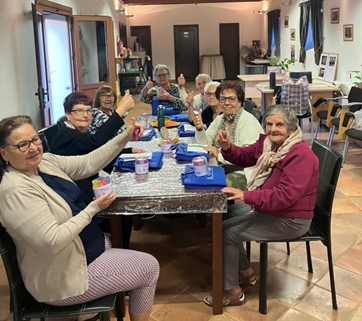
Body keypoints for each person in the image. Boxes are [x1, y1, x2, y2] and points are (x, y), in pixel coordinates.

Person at [0, 115, 159, 321]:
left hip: (82, 253)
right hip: (62, 277)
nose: (33, 148)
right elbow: (51, 241)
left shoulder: (45, 163)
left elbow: (88, 162)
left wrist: (125, 136)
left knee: (115, 245)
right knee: (149, 268)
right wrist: (92, 209)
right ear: (4, 153)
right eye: (22, 144)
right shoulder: (16, 190)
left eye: (35, 139)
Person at [203, 105, 319, 307]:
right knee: (226, 213)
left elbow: (285, 197)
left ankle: (232, 292)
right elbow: (246, 156)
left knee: (227, 232)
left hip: (291, 218)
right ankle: (246, 272)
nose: (273, 129)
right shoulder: (270, 145)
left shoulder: (300, 155)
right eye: (270, 124)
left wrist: (246, 195)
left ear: (291, 129)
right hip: (273, 210)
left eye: (279, 125)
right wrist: (228, 147)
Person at [50, 91, 143, 248]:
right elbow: (95, 142)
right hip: (71, 201)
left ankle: (117, 248)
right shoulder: (66, 135)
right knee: (123, 214)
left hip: (82, 189)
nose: (85, 115)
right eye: (79, 111)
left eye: (88, 111)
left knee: (125, 204)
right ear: (67, 115)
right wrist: (120, 111)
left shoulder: (77, 133)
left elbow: (98, 153)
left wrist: (129, 150)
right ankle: (114, 251)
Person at [194, 81, 264, 190]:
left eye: (231, 99)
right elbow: (204, 145)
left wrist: (219, 154)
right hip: (226, 167)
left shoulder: (248, 121)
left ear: (240, 101)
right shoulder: (221, 119)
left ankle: (220, 207)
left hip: (246, 172)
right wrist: (200, 129)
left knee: (212, 186)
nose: (226, 103)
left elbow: (248, 158)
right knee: (197, 176)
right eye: (222, 99)